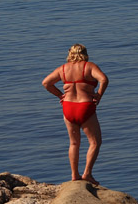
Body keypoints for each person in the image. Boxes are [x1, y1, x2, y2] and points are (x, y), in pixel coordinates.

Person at [42, 44, 109, 185]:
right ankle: (87, 174)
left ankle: (74, 175)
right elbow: (103, 79)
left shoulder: (63, 69)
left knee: (73, 143)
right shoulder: (89, 66)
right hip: (85, 106)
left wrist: (60, 95)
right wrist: (99, 95)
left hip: (68, 107)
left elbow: (46, 83)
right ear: (85, 53)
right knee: (95, 142)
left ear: (70, 54)